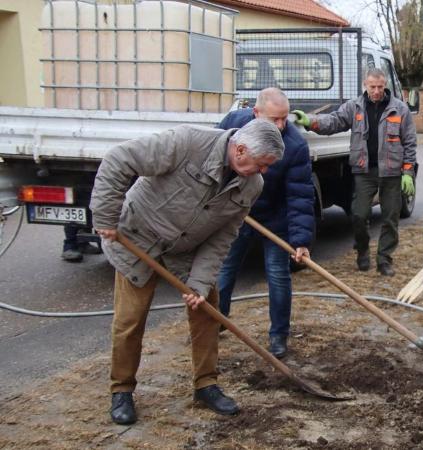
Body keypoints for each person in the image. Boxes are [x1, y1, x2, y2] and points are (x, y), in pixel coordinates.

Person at [90, 119, 284, 425]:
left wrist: (199, 283)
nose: (264, 173)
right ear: (242, 150)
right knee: (130, 319)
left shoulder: (252, 185)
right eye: (261, 165)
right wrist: (105, 214)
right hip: (139, 237)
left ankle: (206, 385)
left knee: (206, 310)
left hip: (188, 249)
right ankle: (122, 390)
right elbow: (119, 159)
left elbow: (223, 237)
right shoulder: (187, 142)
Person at [215, 88, 314, 359]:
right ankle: (215, 321)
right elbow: (214, 159)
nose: (281, 125)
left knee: (277, 275)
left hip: (274, 217)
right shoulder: (233, 125)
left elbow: (300, 195)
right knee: (224, 269)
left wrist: (301, 241)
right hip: (237, 213)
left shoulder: (294, 146)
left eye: (285, 118)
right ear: (256, 113)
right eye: (275, 119)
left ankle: (279, 335)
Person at [292, 68, 417, 276]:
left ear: (385, 85)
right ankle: (362, 250)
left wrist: (408, 172)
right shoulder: (355, 107)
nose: (376, 91)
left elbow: (410, 143)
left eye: (380, 87)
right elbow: (334, 121)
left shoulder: (400, 109)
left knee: (390, 217)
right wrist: (310, 121)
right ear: (365, 86)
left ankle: (384, 260)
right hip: (364, 171)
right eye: (372, 87)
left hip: (392, 172)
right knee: (359, 215)